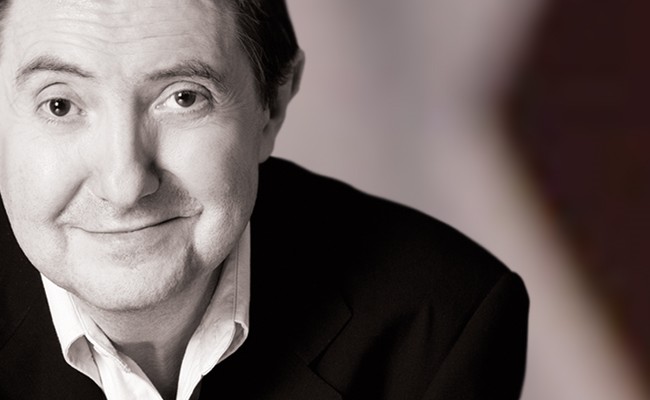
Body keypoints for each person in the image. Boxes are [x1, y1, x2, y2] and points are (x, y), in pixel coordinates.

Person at [0, 0, 529, 399]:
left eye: (184, 97)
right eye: (59, 105)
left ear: (271, 106)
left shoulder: (442, 321)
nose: (125, 184)